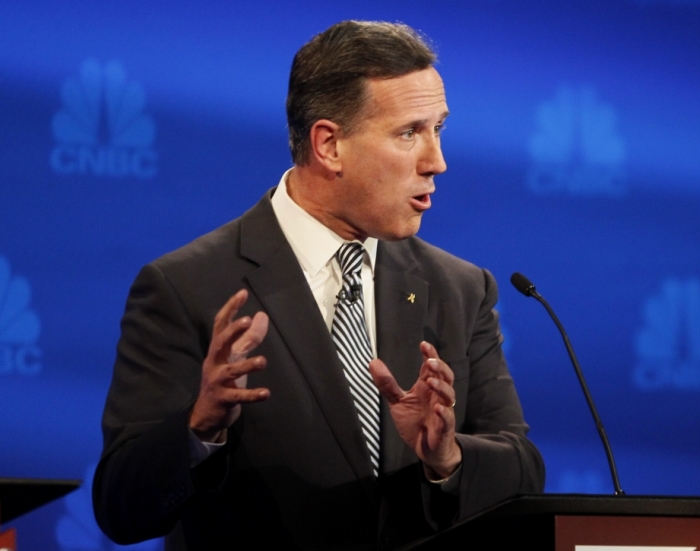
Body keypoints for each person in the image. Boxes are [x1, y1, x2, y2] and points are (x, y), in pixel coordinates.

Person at [93, 20, 544, 551]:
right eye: (408, 133)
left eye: (438, 129)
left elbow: (522, 476)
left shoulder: (461, 289)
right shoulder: (187, 286)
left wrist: (448, 458)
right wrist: (200, 429)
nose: (436, 162)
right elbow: (120, 508)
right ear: (329, 144)